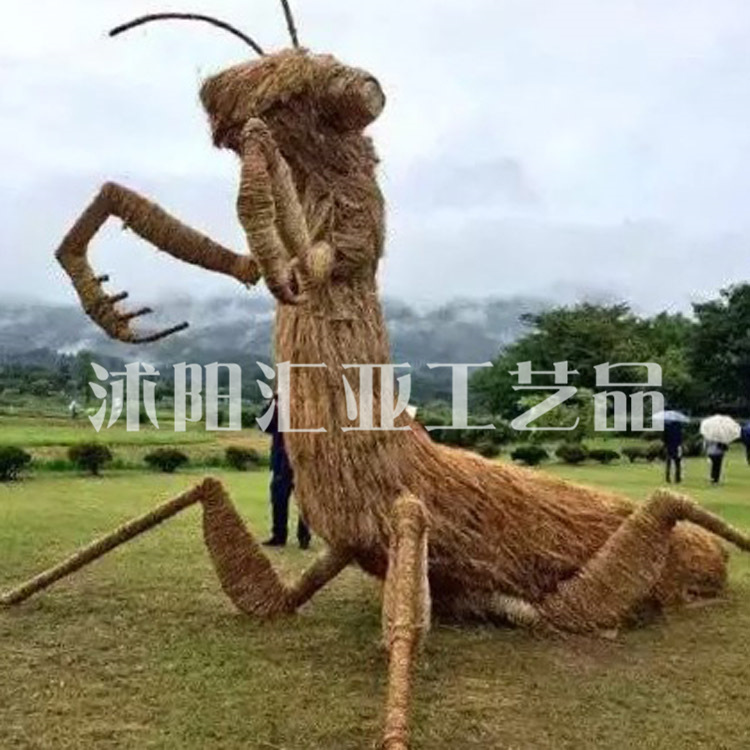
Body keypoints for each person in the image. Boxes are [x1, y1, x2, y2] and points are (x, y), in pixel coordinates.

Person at [262, 401, 311, 549]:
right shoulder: (278, 407)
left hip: (304, 462)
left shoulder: (309, 405)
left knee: (305, 502)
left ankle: (304, 537)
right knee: (278, 500)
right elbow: (264, 426)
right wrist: (272, 403)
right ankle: (279, 536)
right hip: (281, 462)